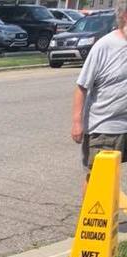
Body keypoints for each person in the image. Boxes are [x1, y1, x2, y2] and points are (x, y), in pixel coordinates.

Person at [71, 2, 127, 195]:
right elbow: (81, 87)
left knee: (112, 176)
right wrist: (77, 122)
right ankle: (90, 222)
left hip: (125, 125)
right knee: (96, 176)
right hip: (105, 127)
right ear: (126, 16)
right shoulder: (104, 46)